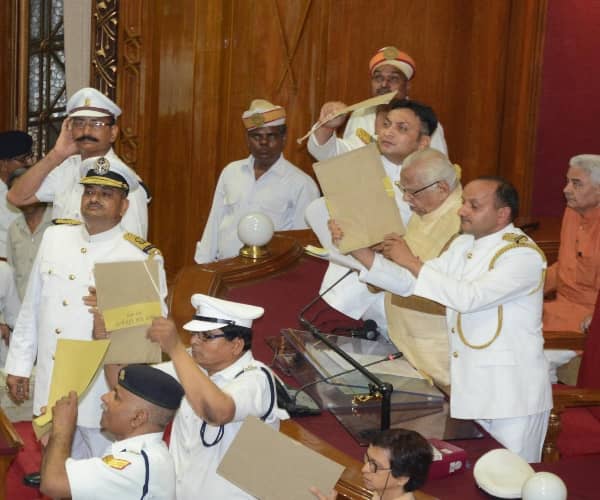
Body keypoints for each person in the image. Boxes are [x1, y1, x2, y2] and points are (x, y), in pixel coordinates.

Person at [341, 177, 551, 462]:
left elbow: (469, 298)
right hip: (472, 385)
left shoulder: (522, 255)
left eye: (474, 206)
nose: (462, 210)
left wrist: (411, 261)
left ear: (502, 214)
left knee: (513, 475)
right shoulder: (464, 245)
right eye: (463, 202)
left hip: (512, 394)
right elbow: (410, 283)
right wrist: (358, 249)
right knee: (477, 474)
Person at [5, 155, 167, 467]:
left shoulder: (138, 256)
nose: (94, 198)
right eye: (89, 191)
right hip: (53, 382)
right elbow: (32, 307)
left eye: (106, 194)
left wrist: (114, 316)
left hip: (102, 393)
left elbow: (151, 332)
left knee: (97, 477)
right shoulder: (55, 236)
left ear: (124, 206)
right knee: (54, 470)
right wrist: (19, 365)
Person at [305, 99, 439, 338]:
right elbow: (325, 150)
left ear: (423, 142)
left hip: (399, 287)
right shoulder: (363, 158)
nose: (388, 132)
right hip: (352, 285)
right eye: (386, 124)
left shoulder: (435, 181)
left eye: (401, 128)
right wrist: (327, 126)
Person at [148, 294, 288, 499]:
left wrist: (176, 349)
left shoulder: (256, 379)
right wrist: (111, 339)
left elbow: (218, 412)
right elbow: (130, 383)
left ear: (236, 345)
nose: (194, 341)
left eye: (205, 336)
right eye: (194, 334)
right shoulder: (193, 366)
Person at [7, 87, 149, 237]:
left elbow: (132, 247)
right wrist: (57, 154)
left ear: (113, 132)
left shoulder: (127, 182)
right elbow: (17, 197)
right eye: (79, 123)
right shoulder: (66, 168)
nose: (86, 131)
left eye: (96, 124)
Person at [195, 99, 320, 263]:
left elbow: (302, 245)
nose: (263, 142)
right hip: (224, 268)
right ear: (247, 139)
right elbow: (214, 221)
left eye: (271, 136)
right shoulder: (231, 172)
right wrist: (203, 265)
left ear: (283, 138)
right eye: (256, 136)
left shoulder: (301, 184)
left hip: (270, 273)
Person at [40, 364, 184, 500]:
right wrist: (55, 431)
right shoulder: (141, 453)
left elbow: (53, 483)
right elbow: (70, 489)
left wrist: (62, 427)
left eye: (116, 397)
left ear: (138, 418)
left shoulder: (135, 464)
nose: (105, 397)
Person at [383, 148, 462, 387]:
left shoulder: (462, 224)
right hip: (406, 342)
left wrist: (402, 261)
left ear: (442, 188)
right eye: (403, 189)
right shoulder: (428, 207)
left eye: (412, 192)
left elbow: (449, 298)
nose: (406, 199)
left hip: (439, 356)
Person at [307, 46, 447, 162]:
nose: (384, 84)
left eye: (393, 79)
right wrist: (326, 127)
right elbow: (340, 157)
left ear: (407, 86)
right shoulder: (361, 114)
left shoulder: (424, 120)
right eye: (378, 78)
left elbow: (439, 169)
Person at [543, 154, 600, 384]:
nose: (566, 190)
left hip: (585, 320)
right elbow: (565, 266)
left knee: (534, 361)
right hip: (556, 310)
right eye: (567, 181)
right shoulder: (573, 212)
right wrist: (528, 287)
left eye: (576, 184)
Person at [310, 429, 433, 500]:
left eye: (376, 466)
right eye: (367, 459)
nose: (364, 469)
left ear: (402, 478)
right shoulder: (381, 494)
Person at [6, 167, 53, 301]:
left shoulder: (58, 224)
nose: (25, 196)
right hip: (21, 307)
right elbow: (12, 274)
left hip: (51, 307)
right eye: (19, 192)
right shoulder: (14, 228)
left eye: (29, 190)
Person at [0, 130, 34, 259]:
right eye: (23, 159)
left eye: (30, 156)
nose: (30, 163)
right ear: (4, 164)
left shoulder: (38, 189)